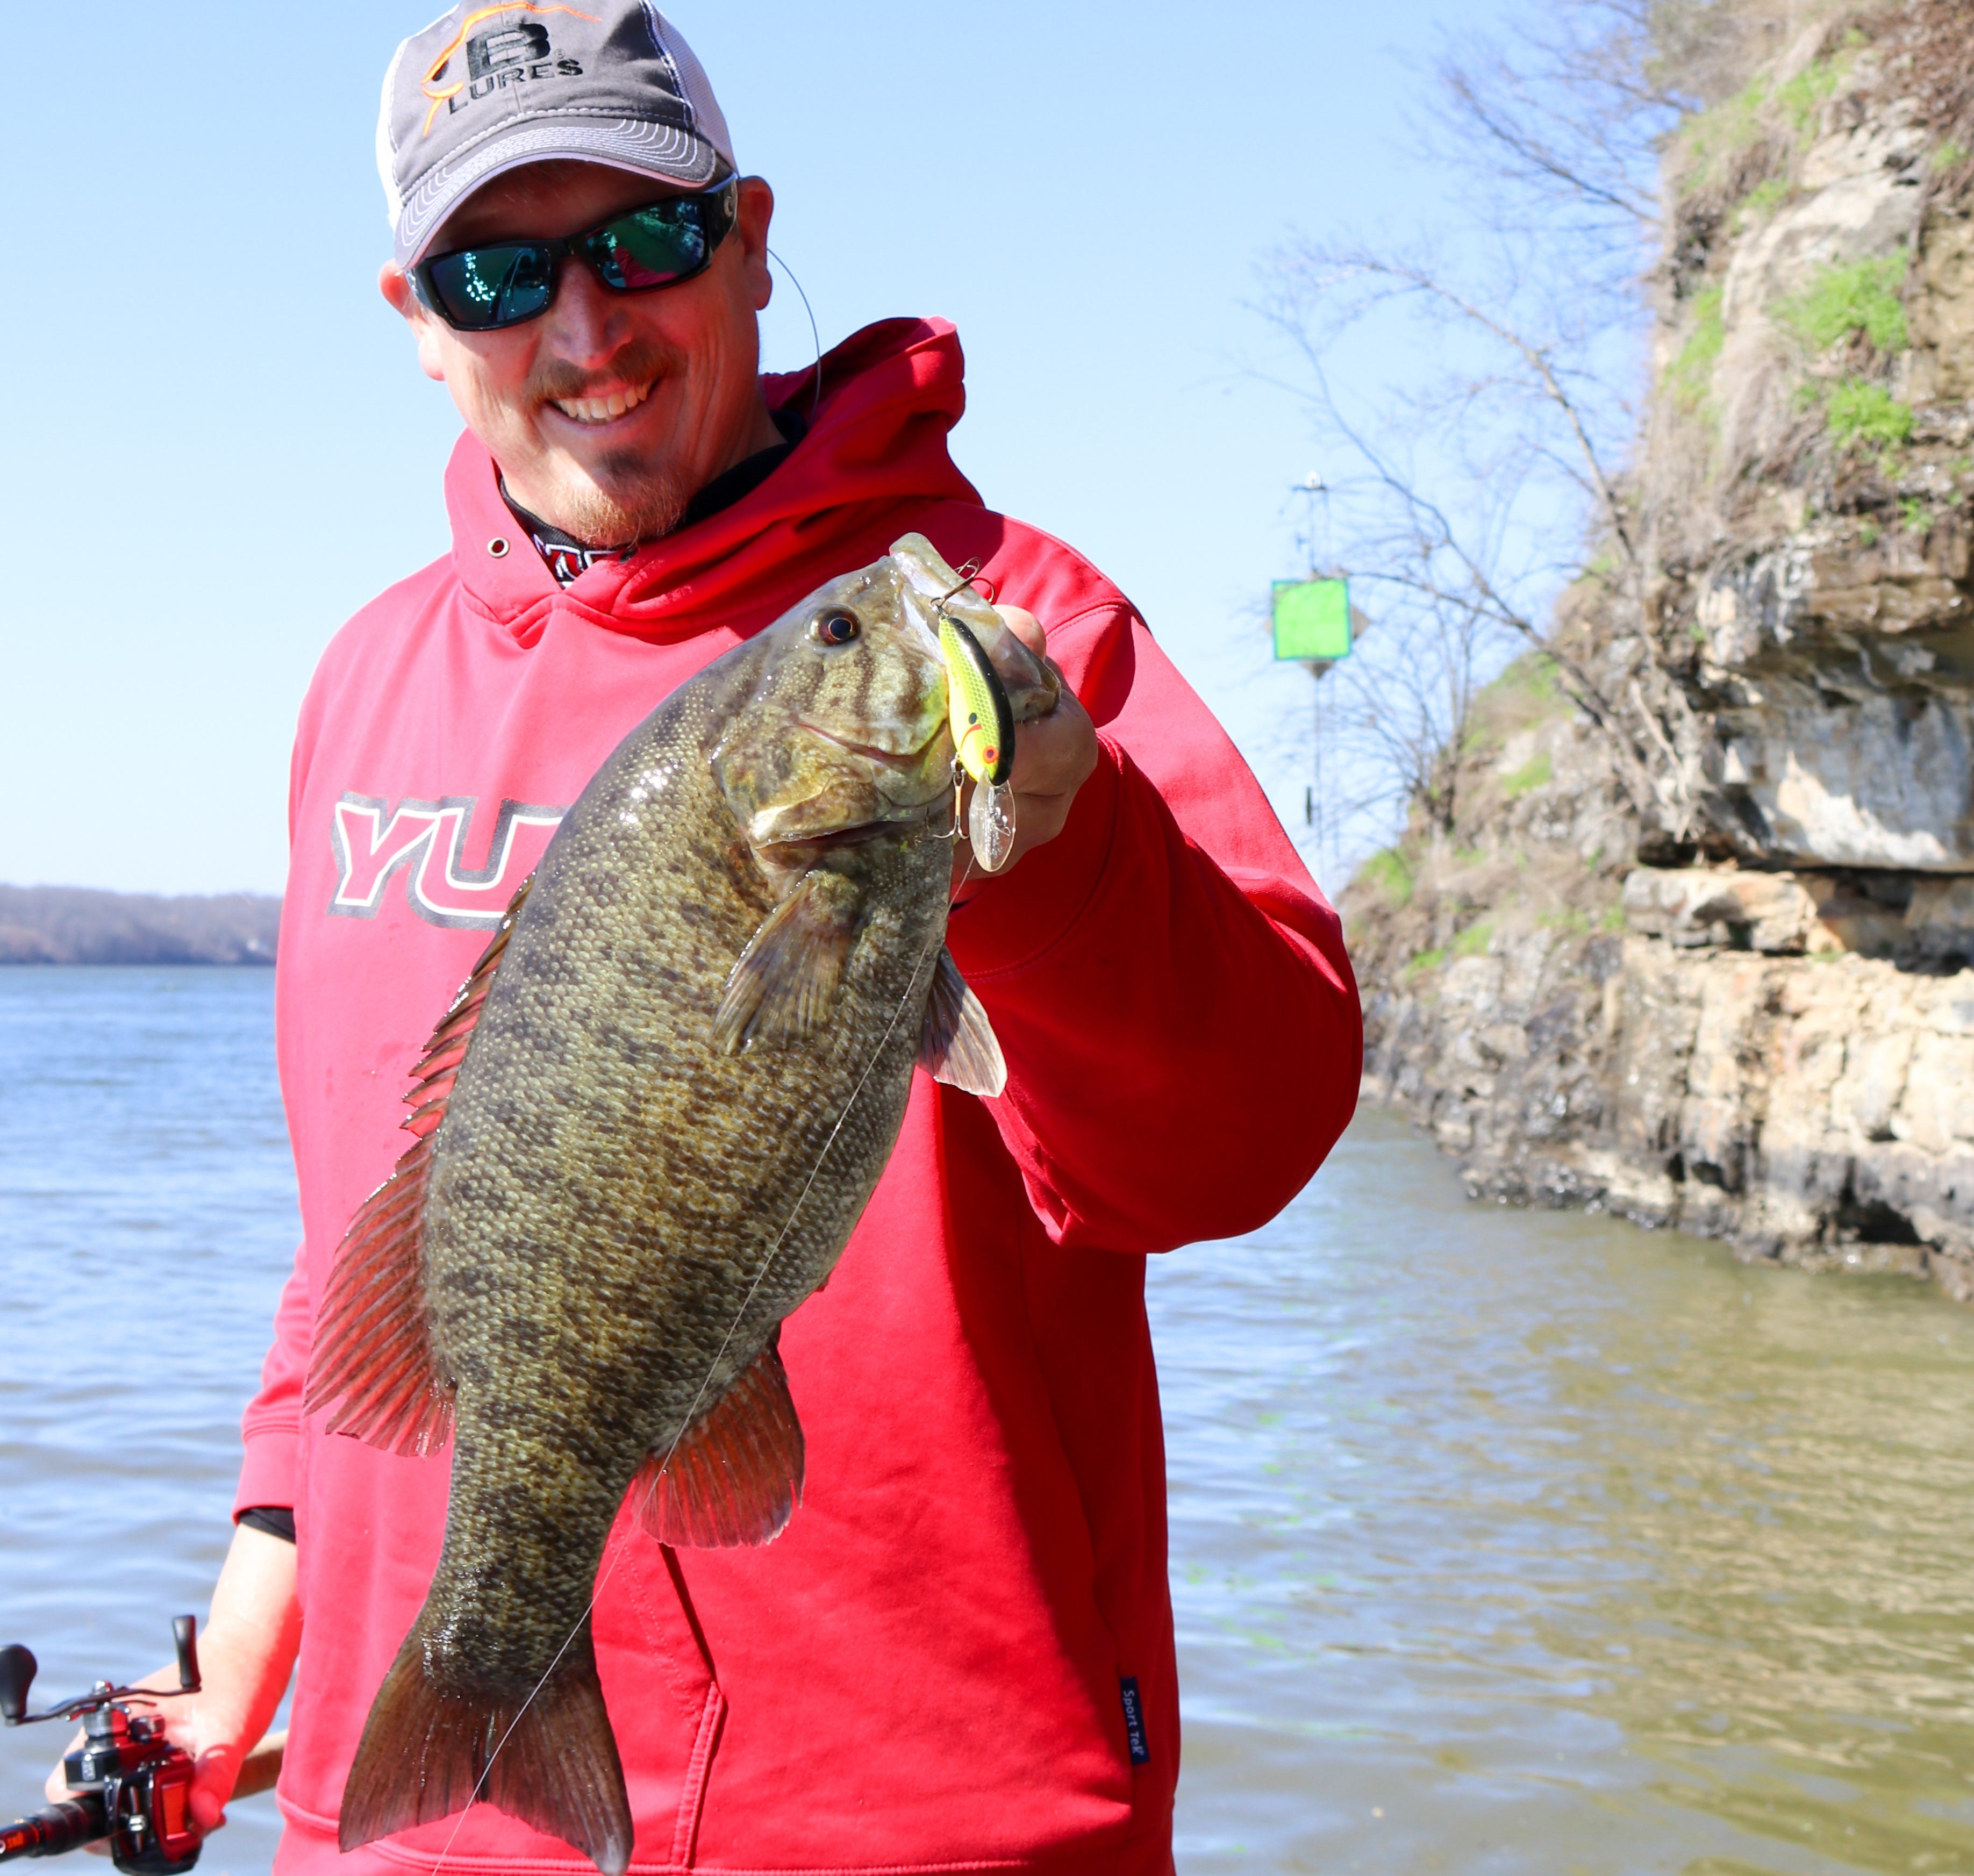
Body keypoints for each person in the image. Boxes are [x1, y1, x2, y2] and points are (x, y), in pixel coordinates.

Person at [57, 6, 1360, 1871]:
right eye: (498, 272)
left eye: (642, 243)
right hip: (429, 1809)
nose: (583, 331)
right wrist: (247, 1654)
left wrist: (1059, 860)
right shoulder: (367, 684)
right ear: (419, 327)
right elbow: (377, 1232)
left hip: (931, 1815)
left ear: (749, 240)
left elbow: (1247, 1135)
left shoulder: (1015, 636)